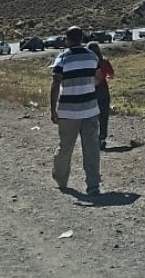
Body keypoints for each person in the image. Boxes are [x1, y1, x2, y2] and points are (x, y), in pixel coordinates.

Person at [50, 26, 102, 196]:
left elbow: (56, 83)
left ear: (67, 39)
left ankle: (61, 179)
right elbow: (97, 78)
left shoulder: (63, 58)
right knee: (92, 148)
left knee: (65, 147)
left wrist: (53, 109)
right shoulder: (92, 56)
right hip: (90, 108)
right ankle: (93, 184)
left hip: (68, 111)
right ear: (82, 38)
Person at [86, 41, 114, 151]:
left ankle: (92, 138)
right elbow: (111, 75)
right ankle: (102, 138)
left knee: (91, 116)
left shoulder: (87, 63)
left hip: (90, 91)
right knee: (103, 115)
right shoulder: (104, 62)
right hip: (103, 89)